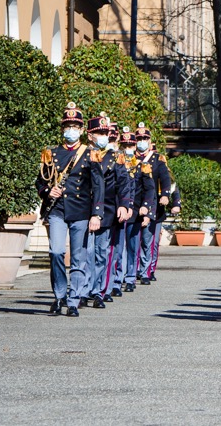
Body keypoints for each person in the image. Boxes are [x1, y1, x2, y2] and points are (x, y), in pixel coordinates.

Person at [35, 102, 104, 317]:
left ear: (82, 130)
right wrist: (48, 190)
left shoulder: (90, 154)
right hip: (57, 210)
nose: (70, 130)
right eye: (67, 125)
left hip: (81, 211)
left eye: (75, 126)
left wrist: (96, 214)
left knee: (78, 258)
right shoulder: (51, 153)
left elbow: (98, 185)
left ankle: (73, 300)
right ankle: (59, 295)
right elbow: (40, 182)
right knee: (56, 252)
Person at [84, 115, 133, 309]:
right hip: (83, 209)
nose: (103, 136)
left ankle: (98, 291)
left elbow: (123, 182)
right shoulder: (83, 154)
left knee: (101, 253)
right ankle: (82, 290)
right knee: (84, 253)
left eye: (105, 133)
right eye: (99, 133)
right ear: (90, 135)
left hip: (107, 210)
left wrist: (124, 204)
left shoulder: (115, 156)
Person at [111, 126, 156, 297]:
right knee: (118, 247)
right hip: (120, 212)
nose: (128, 149)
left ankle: (130, 278)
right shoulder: (117, 163)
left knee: (132, 246)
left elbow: (149, 189)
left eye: (131, 146)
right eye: (125, 146)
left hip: (136, 212)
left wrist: (146, 207)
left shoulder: (142, 166)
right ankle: (116, 280)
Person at [134, 124, 173, 285]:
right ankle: (132, 269)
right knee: (134, 239)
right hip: (134, 204)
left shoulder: (157, 159)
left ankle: (146, 271)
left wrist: (165, 195)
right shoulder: (130, 158)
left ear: (150, 141)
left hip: (154, 206)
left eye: (145, 138)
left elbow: (165, 180)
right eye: (139, 139)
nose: (142, 141)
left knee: (149, 240)